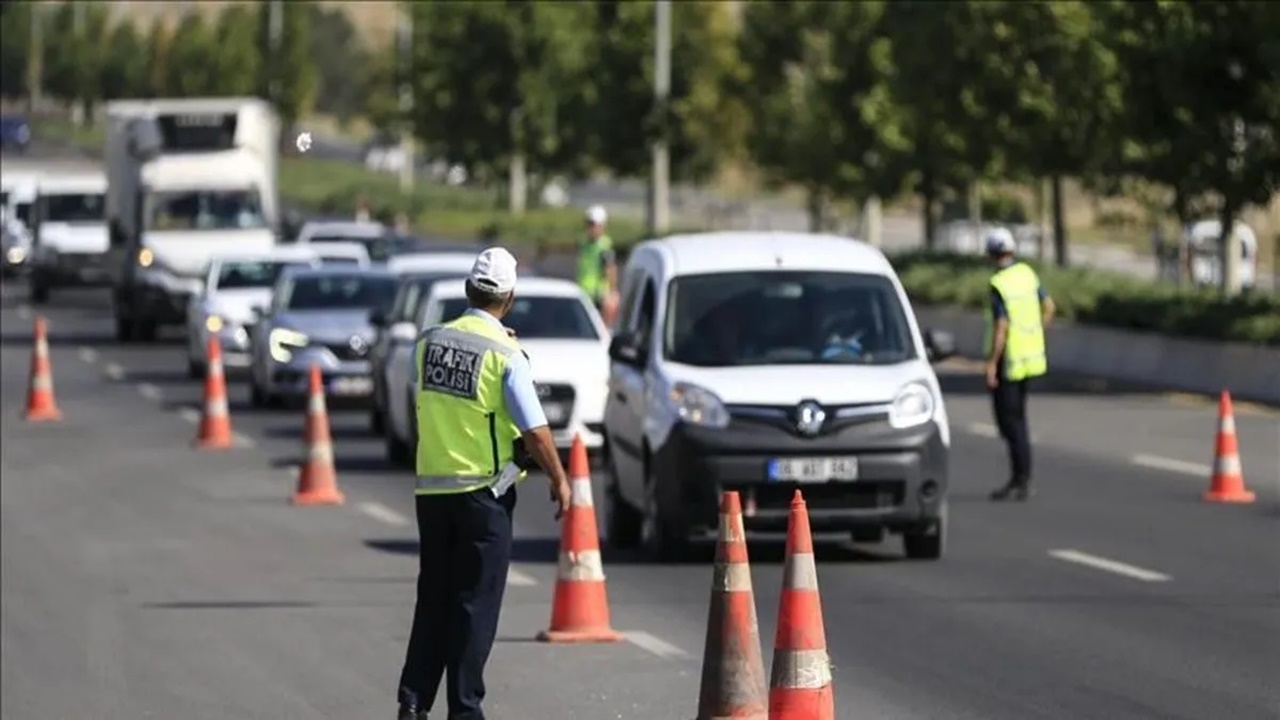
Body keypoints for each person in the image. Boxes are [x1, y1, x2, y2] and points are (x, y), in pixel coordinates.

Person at [396, 247, 573, 720]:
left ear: (468, 290)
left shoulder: (428, 342)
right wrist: (559, 477)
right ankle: (465, 709)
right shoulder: (506, 355)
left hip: (432, 493)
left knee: (433, 598)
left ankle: (413, 702)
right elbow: (535, 430)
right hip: (482, 497)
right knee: (474, 608)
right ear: (509, 298)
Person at [983, 228, 1054, 502]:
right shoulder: (1026, 274)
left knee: (1010, 423)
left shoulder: (999, 284)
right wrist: (1035, 332)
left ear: (990, 254)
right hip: (1030, 358)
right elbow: (1049, 307)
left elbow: (1001, 325)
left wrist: (991, 363)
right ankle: (1021, 477)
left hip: (1009, 360)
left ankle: (1020, 479)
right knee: (1019, 420)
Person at [576, 205, 618, 314]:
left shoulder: (604, 246)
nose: (591, 228)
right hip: (583, 293)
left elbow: (610, 269)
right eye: (589, 224)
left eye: (593, 225)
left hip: (598, 297)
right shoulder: (584, 243)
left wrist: (612, 293)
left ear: (602, 226)